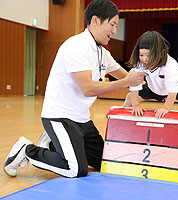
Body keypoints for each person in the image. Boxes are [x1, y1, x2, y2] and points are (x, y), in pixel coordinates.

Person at [3, 0, 147, 178]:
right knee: (75, 169)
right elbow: (87, 88)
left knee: (107, 164)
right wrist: (127, 82)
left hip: (81, 120)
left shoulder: (102, 52)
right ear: (95, 20)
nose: (114, 31)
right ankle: (27, 150)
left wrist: (151, 84)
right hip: (60, 116)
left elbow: (127, 77)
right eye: (112, 24)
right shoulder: (76, 46)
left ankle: (52, 144)